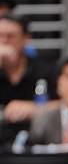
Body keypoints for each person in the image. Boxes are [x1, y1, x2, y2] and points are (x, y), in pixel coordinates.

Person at [0, 15, 57, 147]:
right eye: (0, 35)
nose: (3, 41)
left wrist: (36, 108)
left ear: (26, 39)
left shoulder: (45, 70)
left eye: (10, 36)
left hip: (38, 143)